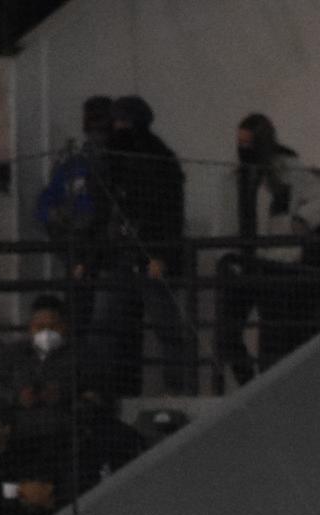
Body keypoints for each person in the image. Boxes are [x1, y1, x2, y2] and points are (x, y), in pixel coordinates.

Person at [219, 114, 320, 384]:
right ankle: (247, 384)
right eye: (240, 142)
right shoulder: (234, 175)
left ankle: (263, 389)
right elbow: (225, 218)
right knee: (225, 335)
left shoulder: (289, 170)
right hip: (240, 262)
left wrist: (301, 220)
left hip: (275, 264)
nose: (243, 148)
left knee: (272, 340)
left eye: (249, 142)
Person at [93, 95, 191, 395]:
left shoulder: (156, 157)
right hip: (120, 254)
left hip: (149, 255)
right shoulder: (109, 156)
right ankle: (105, 392)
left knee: (167, 327)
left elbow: (169, 211)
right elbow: (101, 206)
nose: (119, 126)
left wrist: (160, 253)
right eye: (116, 120)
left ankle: (178, 392)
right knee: (108, 328)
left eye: (125, 120)